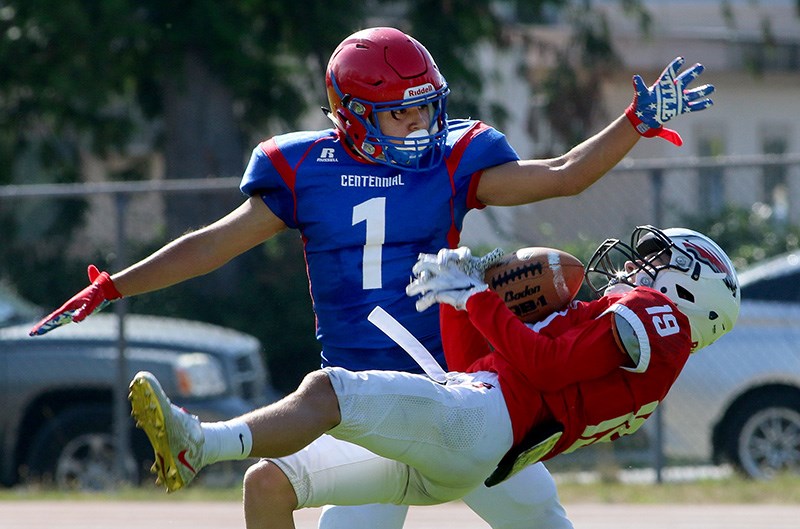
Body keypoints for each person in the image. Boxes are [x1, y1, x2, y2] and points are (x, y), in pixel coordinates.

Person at [29, 26, 716, 529]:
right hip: (370, 413)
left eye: (424, 106)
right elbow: (212, 244)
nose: (419, 122)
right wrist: (116, 284)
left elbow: (563, 176)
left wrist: (634, 123)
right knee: (269, 486)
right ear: (350, 115)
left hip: (459, 398)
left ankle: (203, 442)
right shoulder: (303, 169)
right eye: (400, 111)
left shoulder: (454, 159)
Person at [127, 225, 741, 529]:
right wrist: (458, 297)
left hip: (481, 423)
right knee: (269, 487)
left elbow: (543, 365)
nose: (641, 265)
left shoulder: (659, 320)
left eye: (662, 262)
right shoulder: (638, 338)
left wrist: (481, 296)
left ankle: (198, 445)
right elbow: (473, 365)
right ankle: (204, 449)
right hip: (475, 431)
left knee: (327, 391)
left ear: (692, 292)